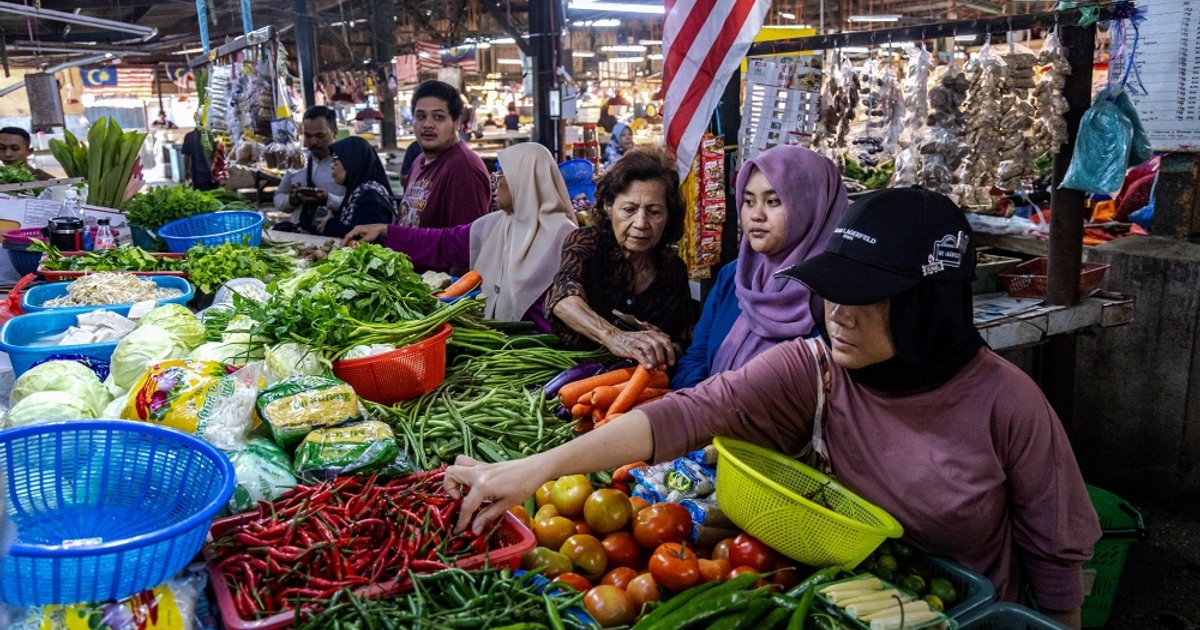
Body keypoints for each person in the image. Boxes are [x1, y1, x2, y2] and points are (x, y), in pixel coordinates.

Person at [445, 188, 1102, 630]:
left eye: (864, 296)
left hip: (965, 610)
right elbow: (684, 415)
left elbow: (1056, 557)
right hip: (833, 607)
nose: (836, 315)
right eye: (830, 293)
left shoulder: (1008, 404)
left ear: (928, 304)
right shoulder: (813, 369)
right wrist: (526, 472)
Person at [342, 143, 577, 330]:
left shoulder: (565, 236)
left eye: (502, 175)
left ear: (523, 180)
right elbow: (444, 243)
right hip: (496, 345)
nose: (494, 182)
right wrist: (385, 230)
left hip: (546, 351)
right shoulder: (495, 225)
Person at [671, 146, 848, 389]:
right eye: (748, 201)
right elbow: (697, 357)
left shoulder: (836, 294)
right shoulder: (734, 275)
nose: (756, 215)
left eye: (773, 201)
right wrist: (703, 413)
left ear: (812, 206)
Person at [544, 149, 694, 369]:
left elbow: (683, 339)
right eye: (629, 209)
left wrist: (665, 346)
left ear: (668, 216)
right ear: (608, 207)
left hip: (641, 387)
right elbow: (563, 298)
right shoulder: (587, 243)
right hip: (572, 379)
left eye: (654, 211)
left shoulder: (672, 269)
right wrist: (613, 336)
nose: (641, 223)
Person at [399, 80, 491, 228]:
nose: (427, 124)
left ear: (456, 122)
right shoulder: (419, 161)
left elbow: (464, 243)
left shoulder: (463, 169)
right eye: (421, 116)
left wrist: (391, 232)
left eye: (438, 117)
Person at [274, 106, 346, 233]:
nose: (312, 142)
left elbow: (358, 204)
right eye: (308, 135)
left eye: (320, 135)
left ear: (334, 131)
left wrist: (328, 199)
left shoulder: (346, 163)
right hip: (299, 236)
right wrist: (291, 200)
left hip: (334, 237)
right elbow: (278, 198)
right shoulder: (298, 161)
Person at [321, 136, 395, 238]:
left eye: (336, 159)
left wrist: (330, 226)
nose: (332, 165)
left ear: (353, 161)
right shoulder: (356, 192)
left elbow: (366, 238)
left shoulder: (370, 198)